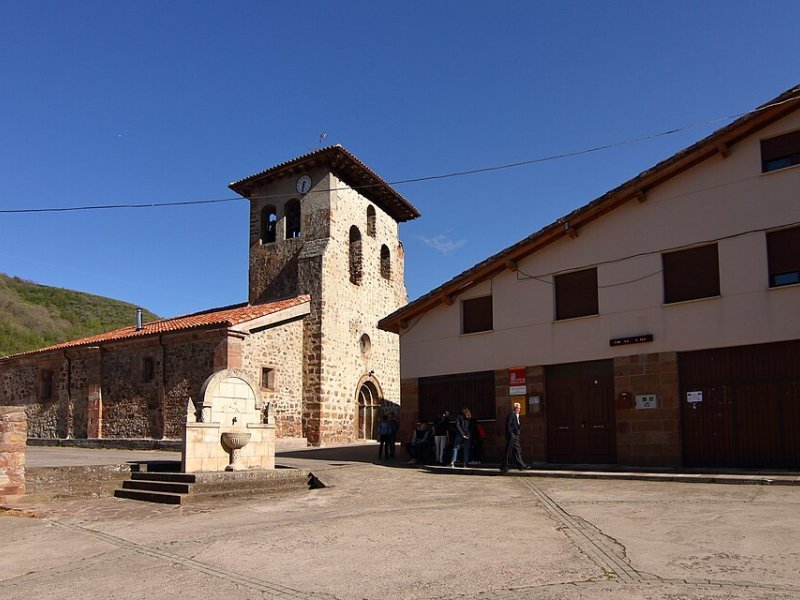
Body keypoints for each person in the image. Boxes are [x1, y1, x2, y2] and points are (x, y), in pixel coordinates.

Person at [501, 402, 531, 472]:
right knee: (510, 450)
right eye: (518, 408)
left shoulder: (517, 415)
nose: (519, 409)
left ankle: (520, 465)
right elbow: (509, 425)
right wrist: (512, 435)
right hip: (512, 436)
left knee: (517, 450)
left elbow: (517, 425)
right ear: (515, 408)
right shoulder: (512, 414)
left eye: (520, 408)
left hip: (515, 436)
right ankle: (505, 466)